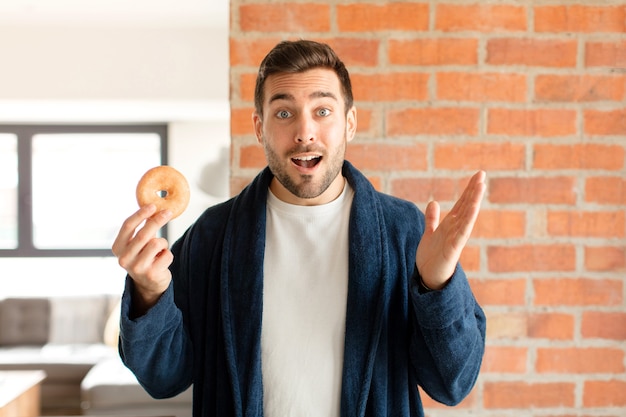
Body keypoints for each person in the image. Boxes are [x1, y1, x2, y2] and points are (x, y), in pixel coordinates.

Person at [112, 39, 486, 417]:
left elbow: (452, 383)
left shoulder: (404, 230)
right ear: (259, 128)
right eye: (284, 114)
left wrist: (437, 286)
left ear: (349, 123)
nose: (305, 132)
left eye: (322, 110)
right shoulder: (213, 235)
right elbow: (163, 379)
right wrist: (149, 293)